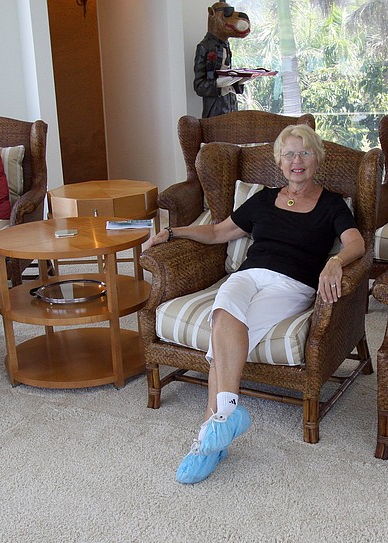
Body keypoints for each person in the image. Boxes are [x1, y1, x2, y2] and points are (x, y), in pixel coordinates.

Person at [143, 125, 364, 484]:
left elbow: (356, 243)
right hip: (248, 275)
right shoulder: (263, 199)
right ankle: (226, 417)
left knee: (227, 336)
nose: (297, 161)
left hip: (291, 285)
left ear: (317, 159)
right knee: (223, 312)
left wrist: (336, 262)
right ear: (279, 161)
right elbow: (217, 232)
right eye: (289, 154)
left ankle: (208, 440)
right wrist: (172, 232)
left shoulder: (331, 204)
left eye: (305, 153)